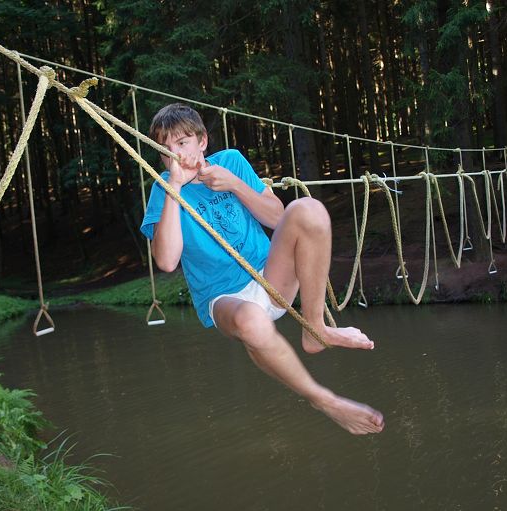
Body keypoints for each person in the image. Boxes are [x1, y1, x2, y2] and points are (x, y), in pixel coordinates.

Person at [140, 103, 384, 435]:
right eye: (166, 149)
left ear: (202, 141)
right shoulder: (163, 189)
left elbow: (276, 217)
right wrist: (175, 188)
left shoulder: (231, 162)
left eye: (182, 143)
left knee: (308, 209)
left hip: (270, 277)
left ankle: (315, 329)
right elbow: (167, 261)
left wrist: (234, 184)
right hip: (225, 299)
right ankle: (324, 400)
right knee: (251, 321)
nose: (176, 155)